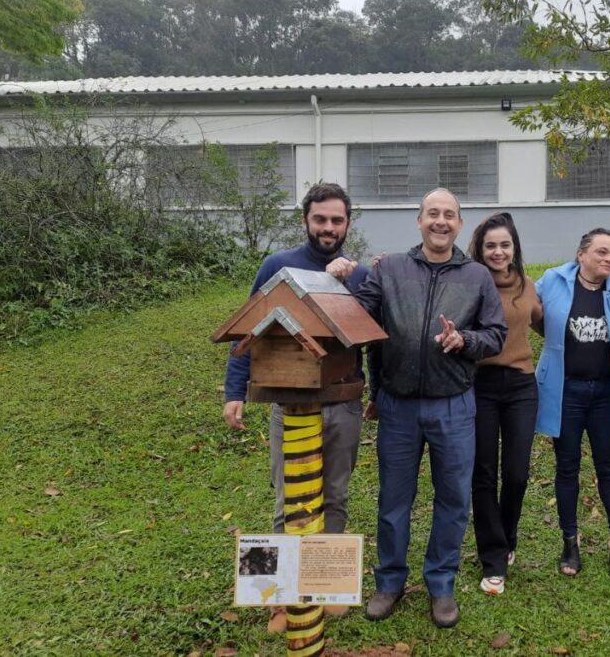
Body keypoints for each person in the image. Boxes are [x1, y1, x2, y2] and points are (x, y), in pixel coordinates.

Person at [350, 188, 506, 629]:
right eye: (433, 213)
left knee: (453, 500)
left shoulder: (476, 276)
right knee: (394, 500)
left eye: (449, 215)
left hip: (454, 407)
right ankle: (389, 582)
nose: (441, 221)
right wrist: (347, 275)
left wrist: (466, 341)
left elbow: (495, 333)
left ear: (459, 225)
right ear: (419, 220)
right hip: (397, 406)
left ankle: (441, 583)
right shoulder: (391, 269)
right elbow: (360, 314)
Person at [222, 182, 368, 629]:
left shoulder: (359, 275)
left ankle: (327, 587)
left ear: (347, 224)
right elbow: (250, 329)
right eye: (320, 219)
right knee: (288, 495)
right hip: (288, 404)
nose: (328, 228)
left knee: (335, 493)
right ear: (306, 219)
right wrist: (234, 392)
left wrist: (376, 391)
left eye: (337, 220)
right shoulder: (278, 265)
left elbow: (371, 338)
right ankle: (281, 596)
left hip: (342, 401)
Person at [534, 228, 610, 582]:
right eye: (601, 252)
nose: (609, 258)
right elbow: (526, 309)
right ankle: (570, 542)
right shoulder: (552, 282)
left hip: (606, 395)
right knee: (567, 467)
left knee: (608, 468)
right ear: (581, 254)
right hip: (565, 392)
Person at [465, 213, 543, 597]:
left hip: (521, 387)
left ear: (514, 248)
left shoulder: (528, 286)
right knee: (483, 473)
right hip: (480, 385)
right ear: (480, 249)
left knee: (516, 473)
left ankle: (506, 539)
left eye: (504, 244)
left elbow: (545, 323)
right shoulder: (467, 283)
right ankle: (493, 557)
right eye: (490, 245)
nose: (498, 252)